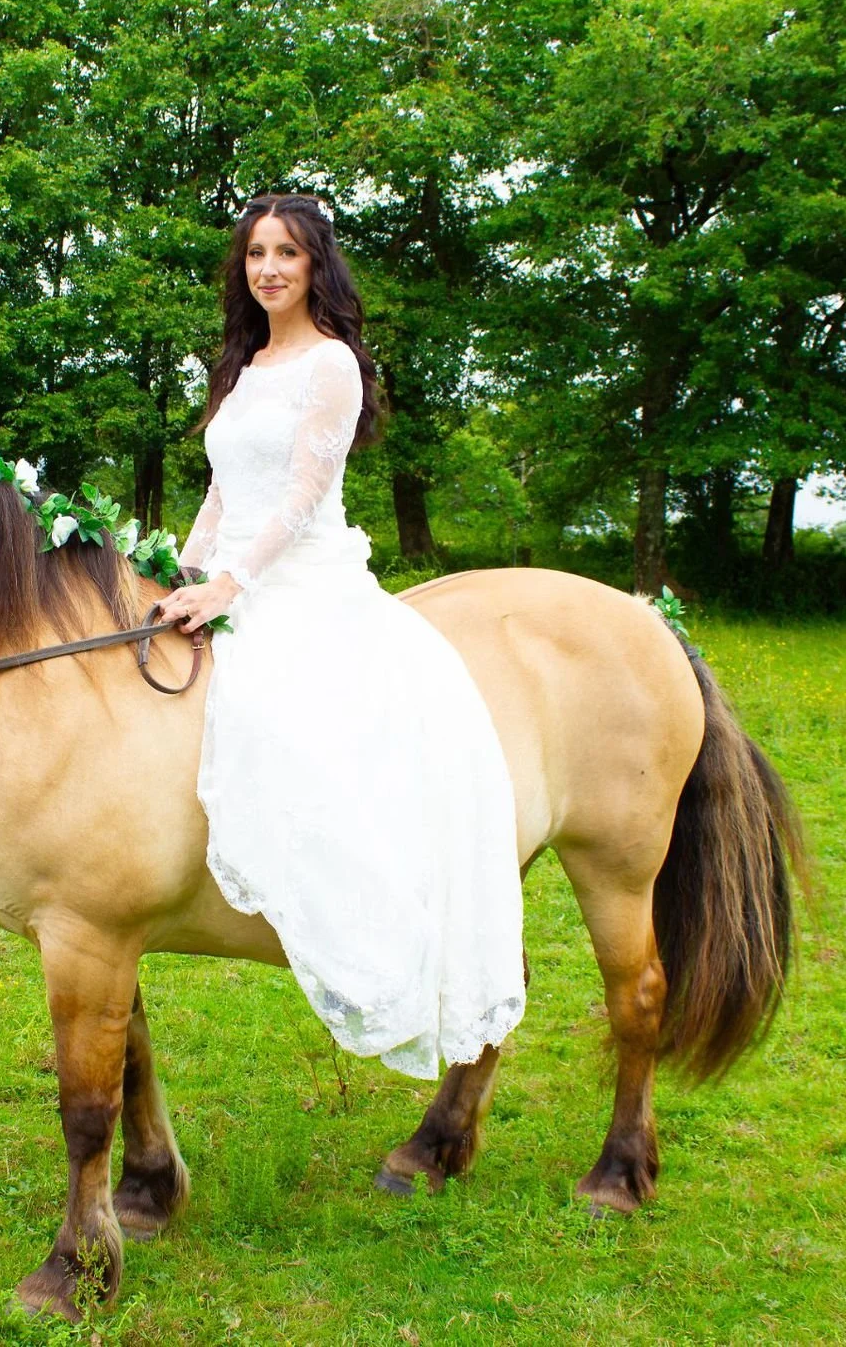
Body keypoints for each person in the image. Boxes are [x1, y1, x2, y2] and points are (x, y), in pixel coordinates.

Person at [155, 194, 526, 1080]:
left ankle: (350, 913)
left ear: (316, 263)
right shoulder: (243, 366)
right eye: (255, 254)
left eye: (287, 252)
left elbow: (300, 497)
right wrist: (177, 569)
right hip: (231, 572)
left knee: (287, 723)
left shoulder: (332, 368)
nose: (270, 267)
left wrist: (230, 585)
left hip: (304, 581)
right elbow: (223, 491)